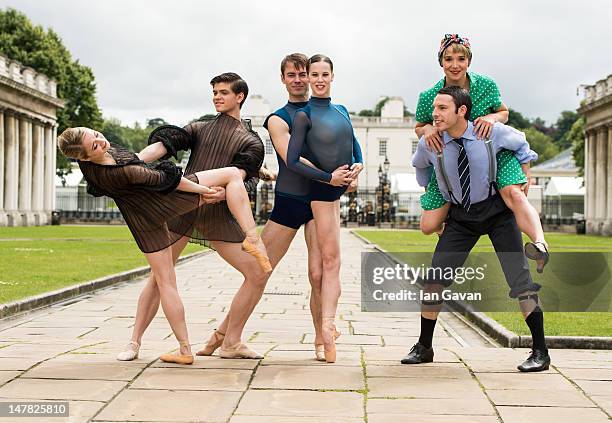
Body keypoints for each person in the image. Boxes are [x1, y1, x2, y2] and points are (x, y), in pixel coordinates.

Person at [57, 127, 269, 364]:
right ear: (83, 158)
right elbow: (172, 181)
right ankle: (252, 237)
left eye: (95, 134)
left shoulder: (94, 159)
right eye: (94, 145)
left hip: (146, 211)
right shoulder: (123, 172)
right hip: (161, 204)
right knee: (165, 281)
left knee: (163, 281)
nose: (101, 141)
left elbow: (142, 158)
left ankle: (171, 348)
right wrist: (203, 191)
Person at [121, 72, 269, 361]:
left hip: (217, 215)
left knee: (258, 273)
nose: (216, 96)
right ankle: (133, 343)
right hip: (182, 209)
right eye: (214, 92)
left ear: (240, 96)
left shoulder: (252, 142)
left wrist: (225, 194)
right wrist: (133, 162)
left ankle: (231, 341)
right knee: (158, 278)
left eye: (223, 92)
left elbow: (243, 178)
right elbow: (165, 145)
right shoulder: (199, 128)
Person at [406, 86, 551, 372]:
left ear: (462, 111)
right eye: (434, 108)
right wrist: (437, 195)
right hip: (461, 217)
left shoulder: (489, 133)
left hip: (497, 212)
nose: (434, 114)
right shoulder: (430, 142)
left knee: (520, 282)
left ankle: (540, 351)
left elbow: (522, 143)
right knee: (433, 281)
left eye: (442, 108)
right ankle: (424, 346)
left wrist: (526, 172)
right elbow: (420, 168)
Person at [415, 34, 549, 273]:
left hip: (492, 150)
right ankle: (447, 229)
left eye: (461, 58)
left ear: (469, 61)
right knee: (428, 224)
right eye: (448, 59)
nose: (455, 64)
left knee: (515, 195)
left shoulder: (486, 85)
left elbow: (504, 113)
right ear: (441, 62)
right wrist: (427, 129)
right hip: (452, 159)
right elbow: (419, 126)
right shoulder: (429, 96)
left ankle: (540, 243)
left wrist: (490, 117)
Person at [286, 54, 364, 363]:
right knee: (323, 266)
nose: (319, 79)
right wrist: (327, 178)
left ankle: (327, 328)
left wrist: (359, 164)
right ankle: (326, 330)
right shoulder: (303, 116)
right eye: (313, 74)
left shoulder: (342, 110)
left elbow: (353, 144)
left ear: (332, 76)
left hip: (335, 192)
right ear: (308, 78)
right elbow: (292, 161)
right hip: (319, 191)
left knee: (327, 265)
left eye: (324, 74)